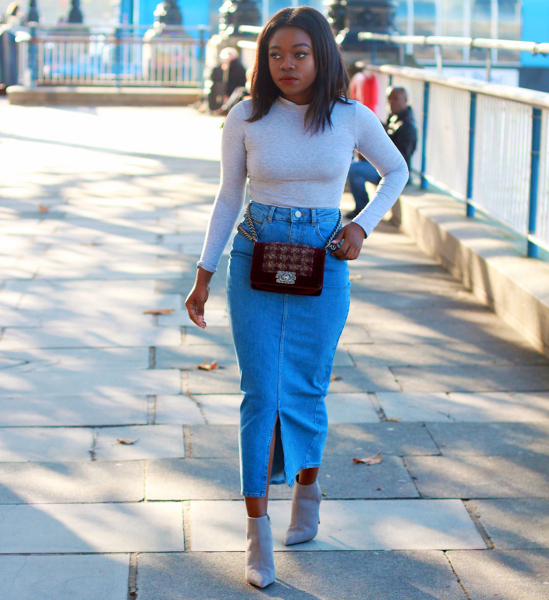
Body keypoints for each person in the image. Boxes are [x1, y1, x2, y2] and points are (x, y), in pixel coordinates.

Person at [185, 6, 407, 589]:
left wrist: (361, 225)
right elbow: (229, 196)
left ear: (321, 56)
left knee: (306, 390)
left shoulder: (350, 117)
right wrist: (204, 271)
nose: (287, 64)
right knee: (260, 393)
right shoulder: (246, 117)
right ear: (264, 60)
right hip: (254, 258)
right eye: (276, 54)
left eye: (300, 54)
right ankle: (257, 533)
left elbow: (397, 172)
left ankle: (305, 489)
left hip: (325, 263)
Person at [346, 86, 417, 219]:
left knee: (354, 169)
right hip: (383, 168)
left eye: (395, 99)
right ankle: (361, 208)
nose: (391, 102)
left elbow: (399, 159)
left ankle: (362, 210)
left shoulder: (408, 126)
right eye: (389, 99)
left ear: (405, 100)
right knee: (354, 163)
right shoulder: (393, 118)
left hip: (394, 173)